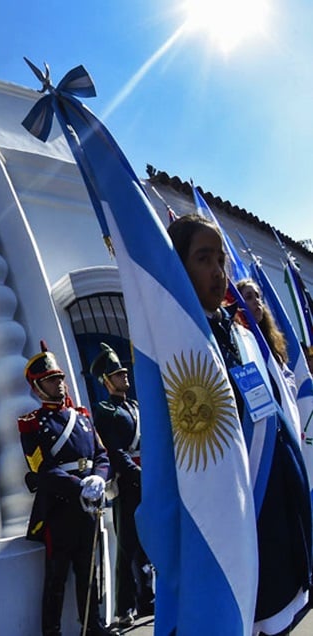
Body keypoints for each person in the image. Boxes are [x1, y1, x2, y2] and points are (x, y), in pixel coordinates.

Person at [168, 214, 312, 635]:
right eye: (203, 259)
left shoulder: (240, 335)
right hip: (241, 519)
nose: (219, 273)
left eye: (222, 261)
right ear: (179, 266)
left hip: (279, 510)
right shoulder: (185, 347)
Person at [18, 341, 113, 636]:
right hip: (60, 507)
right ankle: (52, 631)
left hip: (90, 502)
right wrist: (78, 487)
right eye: (50, 380)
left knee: (89, 569)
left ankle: (92, 625)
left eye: (59, 379)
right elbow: (41, 468)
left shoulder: (82, 417)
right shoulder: (32, 423)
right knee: (56, 576)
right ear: (37, 388)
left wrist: (98, 477)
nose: (58, 385)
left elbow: (102, 455)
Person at [89, 343, 154, 629]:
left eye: (124, 372)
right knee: (128, 543)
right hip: (129, 482)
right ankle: (124, 606)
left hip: (148, 477)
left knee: (150, 541)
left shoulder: (135, 406)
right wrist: (137, 474)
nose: (124, 377)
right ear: (106, 381)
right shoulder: (105, 411)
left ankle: (147, 598)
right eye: (117, 374)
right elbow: (115, 450)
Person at [236, 278, 289, 366]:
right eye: (249, 297)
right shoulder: (238, 341)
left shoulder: (271, 342)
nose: (256, 301)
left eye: (257, 296)